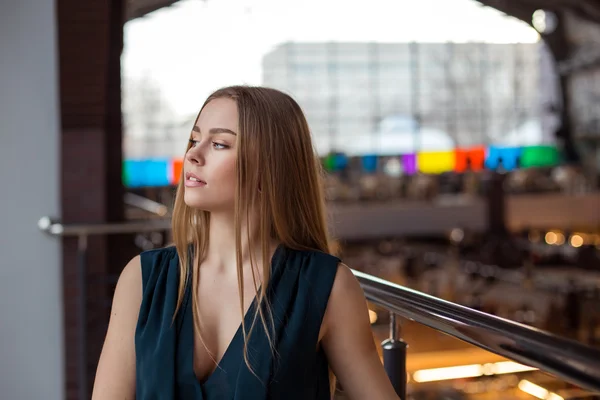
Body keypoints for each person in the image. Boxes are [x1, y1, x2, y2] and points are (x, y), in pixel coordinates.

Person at [91, 86, 399, 400]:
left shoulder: (327, 287)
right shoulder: (143, 279)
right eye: (194, 140)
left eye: (219, 144)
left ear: (269, 167)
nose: (193, 156)